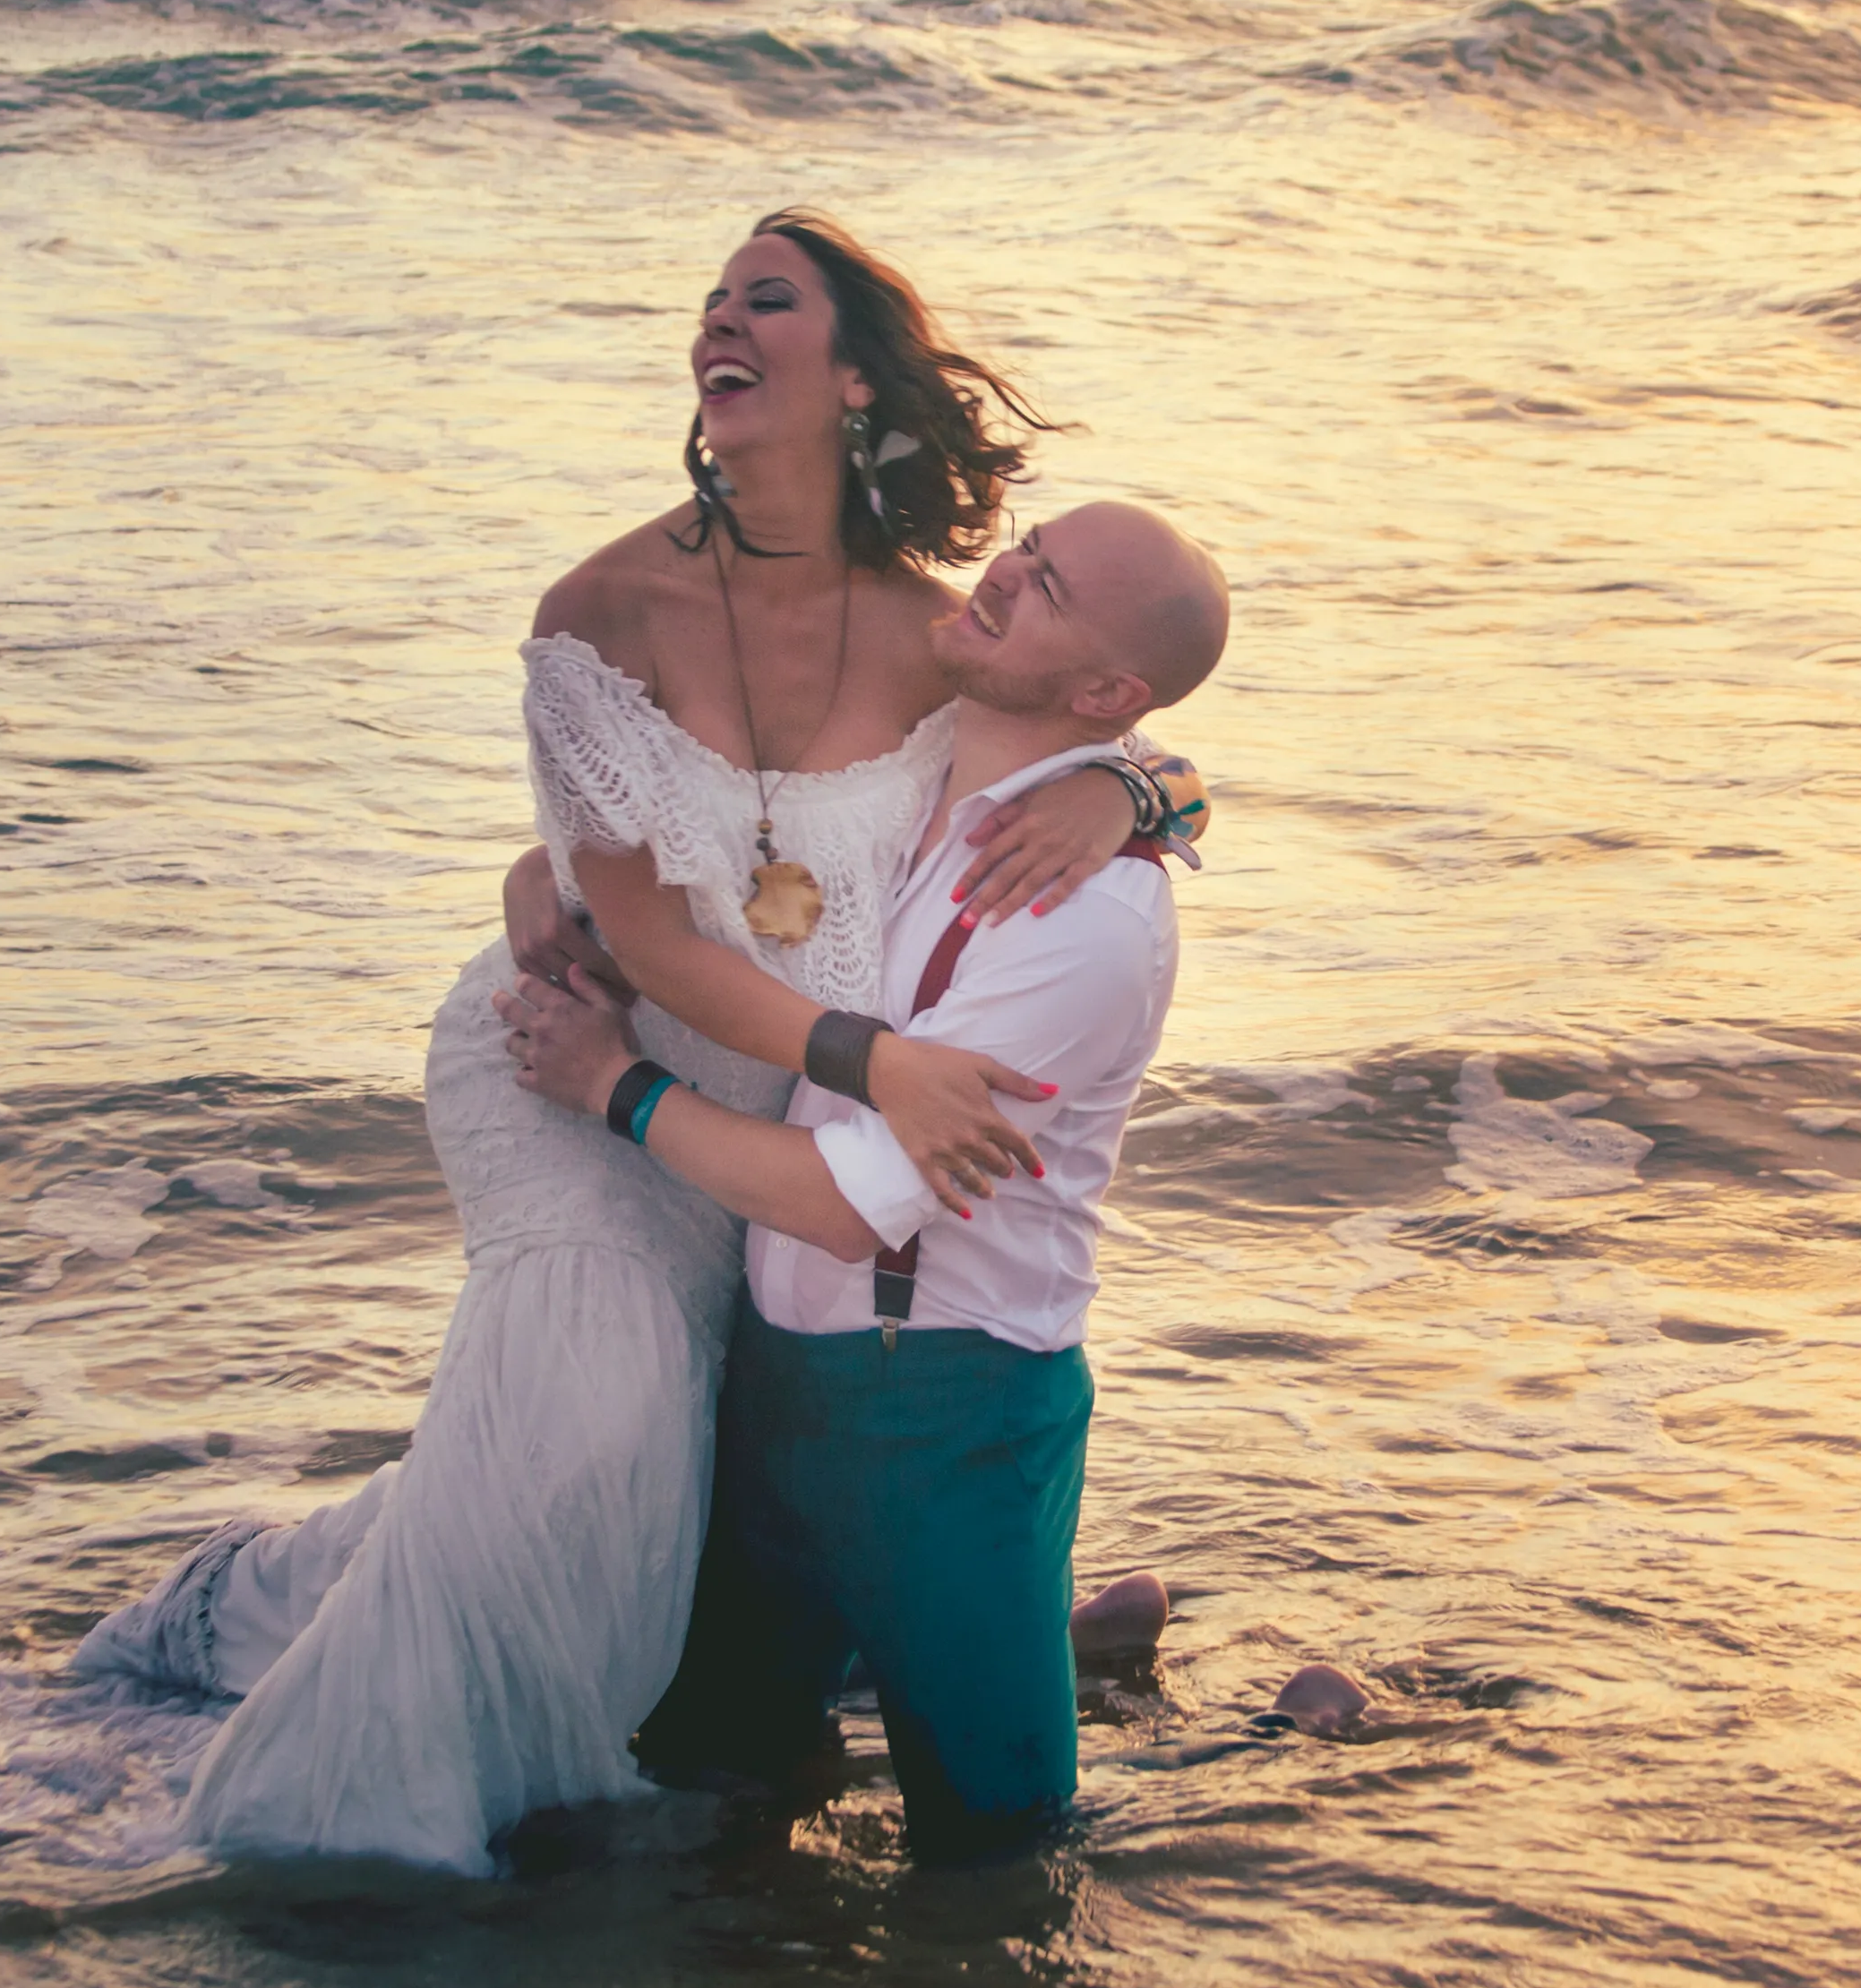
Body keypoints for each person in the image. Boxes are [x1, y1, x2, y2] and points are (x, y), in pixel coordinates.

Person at [66, 213, 1192, 1877]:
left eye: (769, 299)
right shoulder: (600, 604)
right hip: (572, 1058)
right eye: (712, 301)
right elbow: (656, 936)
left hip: (757, 1123)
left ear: (860, 376)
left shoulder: (943, 627)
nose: (719, 324)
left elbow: (1100, 710)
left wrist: (1144, 793)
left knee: (657, 1454)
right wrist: (859, 1060)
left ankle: (252, 1599)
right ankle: (377, 1831)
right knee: (599, 1416)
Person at [501, 500, 1229, 1862]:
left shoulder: (1086, 919)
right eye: (1024, 540)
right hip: (773, 1379)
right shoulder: (922, 757)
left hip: (948, 1408)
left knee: (998, 1847)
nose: (1002, 571)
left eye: (1050, 583)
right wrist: (542, 869)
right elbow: (707, 839)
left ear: (1102, 690)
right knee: (713, 1772)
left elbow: (851, 1199)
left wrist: (614, 1086)